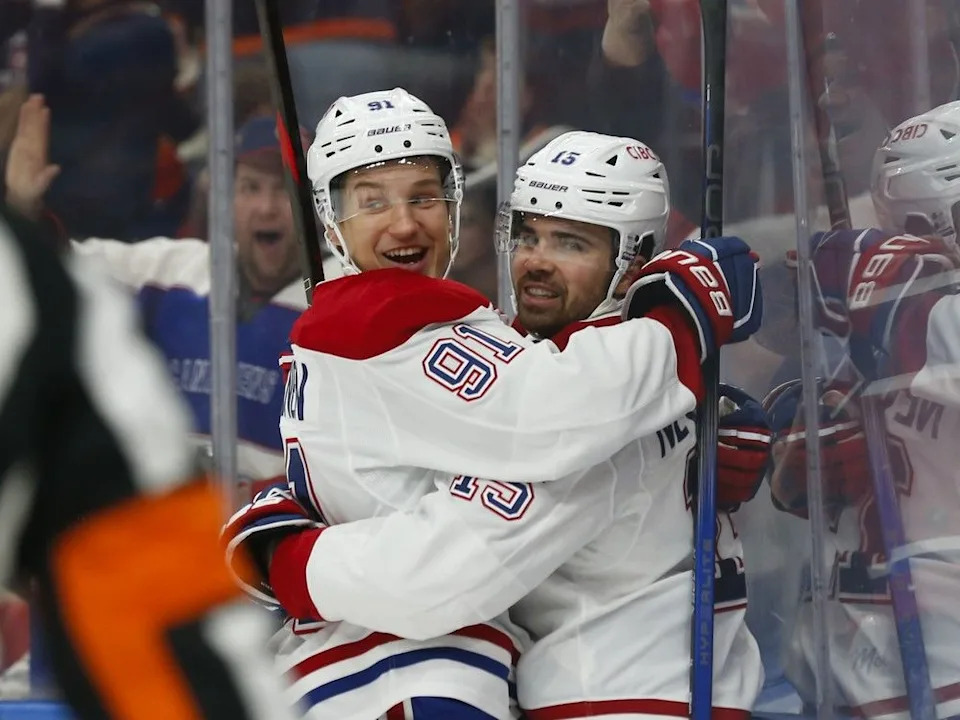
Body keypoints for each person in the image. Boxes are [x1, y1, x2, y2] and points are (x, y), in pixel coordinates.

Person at [226, 114, 765, 718]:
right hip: (662, 687)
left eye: (572, 243)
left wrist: (292, 562)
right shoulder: (608, 377)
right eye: (528, 236)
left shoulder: (594, 417)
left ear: (634, 260)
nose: (536, 262)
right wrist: (315, 498)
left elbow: (442, 571)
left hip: (612, 697)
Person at [0, 206, 295, 720]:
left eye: (277, 188)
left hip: (248, 566)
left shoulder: (42, 290)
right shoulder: (155, 274)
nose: (264, 206)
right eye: (249, 188)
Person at [4, 94, 338, 501]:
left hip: (274, 533)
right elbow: (60, 276)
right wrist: (23, 208)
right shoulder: (170, 269)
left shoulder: (339, 300)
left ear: (318, 205)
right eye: (250, 187)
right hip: (164, 523)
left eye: (285, 191)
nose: (266, 208)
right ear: (225, 197)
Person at [764, 100, 960, 719]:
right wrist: (801, 428)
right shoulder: (865, 326)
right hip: (842, 644)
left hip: (941, 655)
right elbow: (790, 481)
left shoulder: (906, 311)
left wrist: (871, 280)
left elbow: (917, 317)